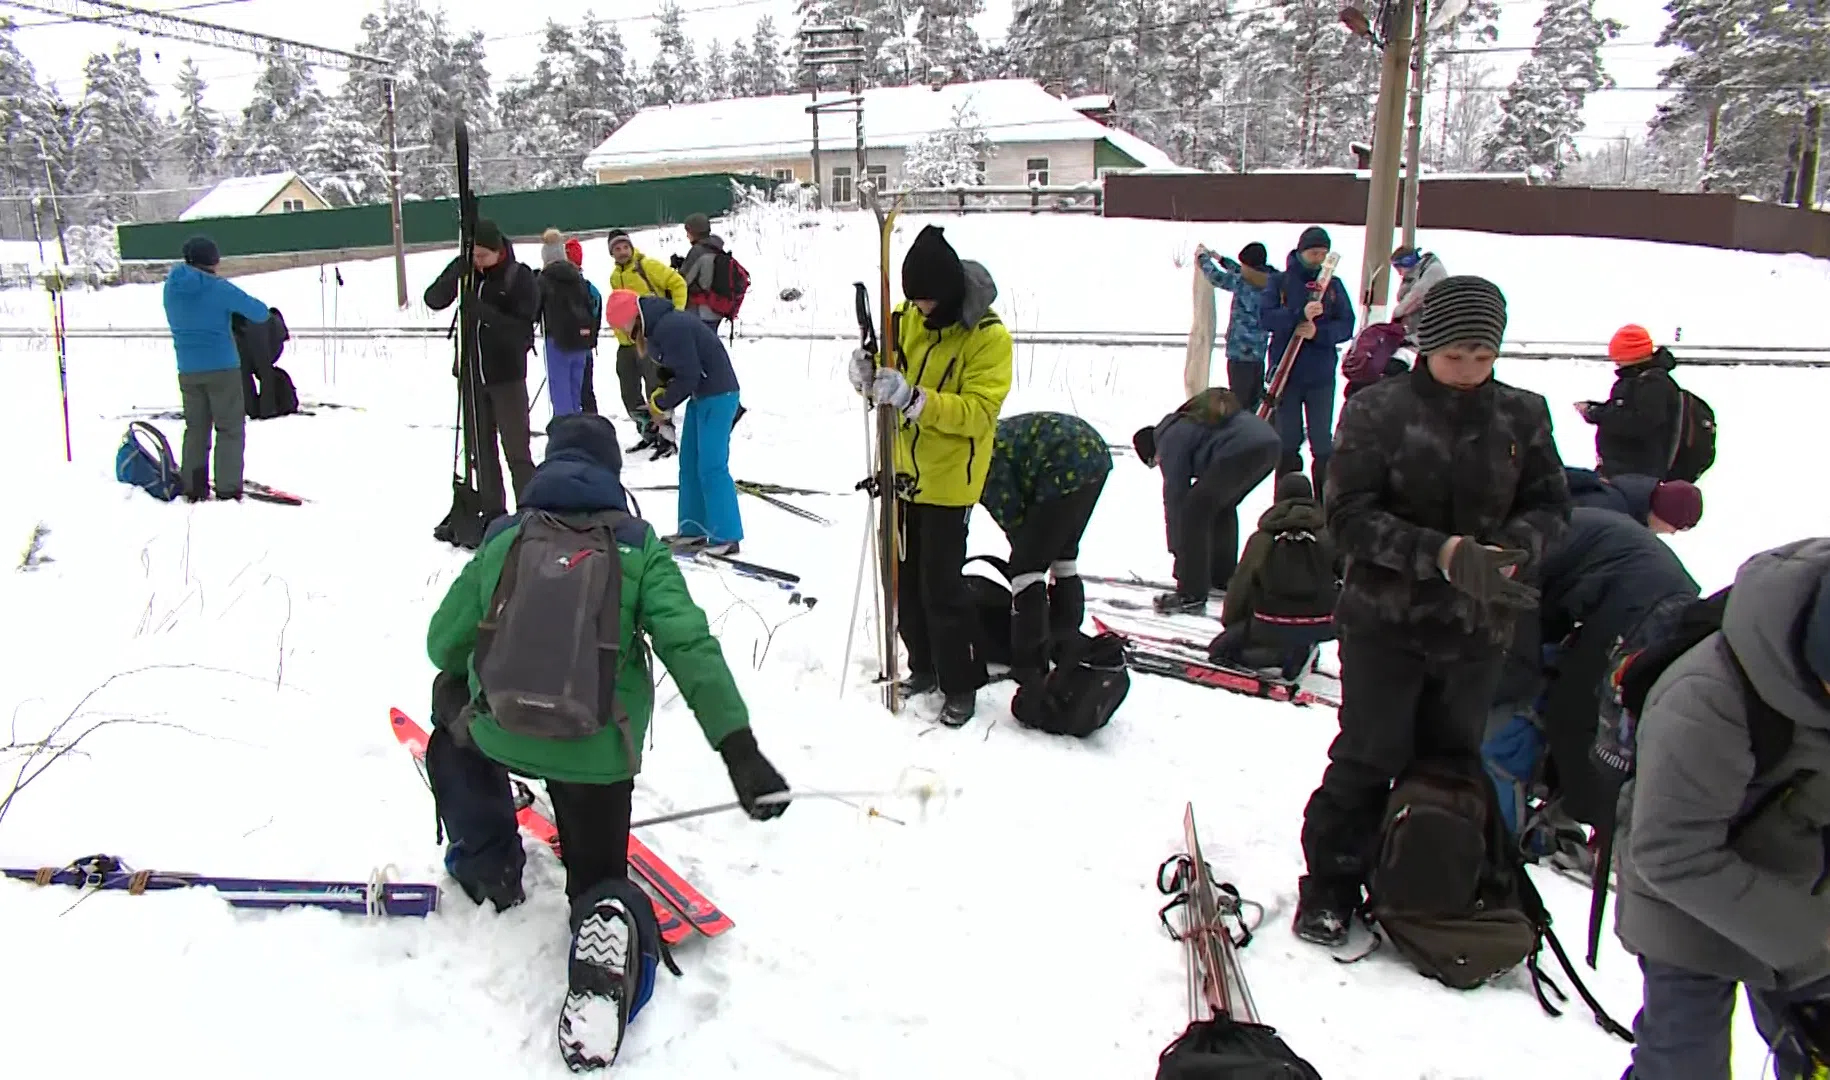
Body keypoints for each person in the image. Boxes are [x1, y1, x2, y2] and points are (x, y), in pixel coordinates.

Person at [424, 411, 790, 1072]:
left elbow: (440, 645)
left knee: (446, 713)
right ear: (612, 477)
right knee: (597, 879)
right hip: (596, 755)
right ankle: (606, 922)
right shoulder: (639, 547)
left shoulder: (504, 537)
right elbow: (690, 647)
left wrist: (462, 689)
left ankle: (488, 863)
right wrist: (739, 750)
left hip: (498, 730)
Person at [1292, 275, 1571, 947]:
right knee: (1368, 753)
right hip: (1385, 622)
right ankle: (1330, 883)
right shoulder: (1378, 411)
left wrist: (1510, 553)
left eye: (1483, 356)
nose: (1469, 371)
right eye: (1455, 356)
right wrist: (1442, 554)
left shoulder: (1523, 415)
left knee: (1453, 759)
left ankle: (1426, 876)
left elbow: (1552, 505)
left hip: (1477, 628)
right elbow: (1349, 516)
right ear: (1425, 348)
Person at [1613, 538, 1830, 1080]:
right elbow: (1671, 852)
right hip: (1683, 892)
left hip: (1802, 878)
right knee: (1683, 1062)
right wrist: (1816, 935)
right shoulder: (1706, 696)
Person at [847, 224, 1013, 727]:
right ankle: (924, 665)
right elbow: (885, 379)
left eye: (927, 302)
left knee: (941, 587)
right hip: (900, 472)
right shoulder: (903, 320)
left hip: (948, 481)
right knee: (904, 583)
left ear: (949, 293)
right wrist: (866, 376)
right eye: (912, 301)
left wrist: (914, 399)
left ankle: (960, 682)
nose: (918, 310)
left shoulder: (988, 338)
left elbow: (979, 413)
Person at [1481, 506, 1698, 866]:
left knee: (1578, 712)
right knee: (1603, 714)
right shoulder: (1544, 521)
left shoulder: (1509, 550)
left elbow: (1519, 658)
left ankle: (1609, 826)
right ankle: (1589, 808)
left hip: (1641, 605)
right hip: (1661, 597)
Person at [603, 288, 744, 554]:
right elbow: (676, 371)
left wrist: (661, 404)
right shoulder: (655, 329)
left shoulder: (669, 327)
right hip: (700, 396)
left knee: (712, 466)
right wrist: (661, 394)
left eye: (621, 325)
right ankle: (693, 528)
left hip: (719, 395)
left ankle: (726, 535)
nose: (622, 331)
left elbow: (689, 374)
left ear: (631, 316)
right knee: (689, 464)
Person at [977, 412, 1112, 688]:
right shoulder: (989, 437)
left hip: (1063, 463)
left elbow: (1013, 516)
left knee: (1026, 569)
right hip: (1094, 454)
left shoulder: (979, 462)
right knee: (1063, 556)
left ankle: (1030, 665)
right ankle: (1064, 640)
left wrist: (1029, 553)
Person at [424, 218, 541, 522]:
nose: (478, 262)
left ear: (498, 251)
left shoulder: (519, 277)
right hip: (472, 376)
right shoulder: (467, 271)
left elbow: (521, 331)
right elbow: (433, 300)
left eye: (483, 256)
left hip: (507, 378)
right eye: (473, 256)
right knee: (481, 452)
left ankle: (530, 513)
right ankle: (493, 514)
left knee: (517, 451)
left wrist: (484, 313)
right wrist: (455, 274)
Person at [1131, 387, 1281, 616]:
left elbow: (1175, 497)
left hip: (1241, 449)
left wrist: (1179, 551)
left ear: (1153, 451)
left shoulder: (1169, 440)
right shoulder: (1183, 423)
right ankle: (1222, 576)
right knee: (1220, 506)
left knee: (1194, 512)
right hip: (1268, 443)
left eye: (1155, 462)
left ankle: (1191, 594)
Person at [161, 235, 270, 501]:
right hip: (223, 368)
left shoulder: (171, 288)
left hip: (187, 369)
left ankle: (193, 487)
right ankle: (227, 489)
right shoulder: (219, 288)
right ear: (213, 260)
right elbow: (260, 312)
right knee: (229, 429)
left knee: (195, 428)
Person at [1208, 471, 1338, 681]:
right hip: (1324, 624)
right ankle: (1302, 646)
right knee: (1300, 632)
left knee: (1219, 651)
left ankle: (1282, 655)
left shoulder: (1263, 538)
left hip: (1270, 623)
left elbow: (1241, 586)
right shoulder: (1329, 536)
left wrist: (1235, 626)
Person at [1260, 226, 1356, 495]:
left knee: (1322, 442)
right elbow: (1265, 318)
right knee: (1288, 440)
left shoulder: (1333, 286)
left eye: (1323, 254)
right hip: (1287, 376)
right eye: (1314, 253)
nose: (1319, 259)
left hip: (1321, 376)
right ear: (1302, 251)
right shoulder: (1279, 282)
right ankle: (1286, 499)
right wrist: (1297, 315)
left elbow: (1346, 326)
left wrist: (1319, 333)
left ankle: (1324, 502)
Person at [607, 229, 688, 456]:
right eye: (617, 249)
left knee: (656, 388)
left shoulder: (647, 266)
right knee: (629, 392)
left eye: (625, 247)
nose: (622, 252)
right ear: (611, 253)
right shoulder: (615, 277)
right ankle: (648, 433)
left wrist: (676, 315)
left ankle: (666, 438)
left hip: (651, 338)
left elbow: (678, 284)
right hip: (626, 343)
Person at [1577, 324, 1684, 479]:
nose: (1615, 361)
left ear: (1632, 354)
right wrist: (1594, 410)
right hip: (1623, 471)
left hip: (1636, 474)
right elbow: (1624, 411)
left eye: (1619, 357)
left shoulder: (1653, 384)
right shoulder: (1638, 380)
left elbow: (1639, 423)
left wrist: (1597, 414)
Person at [1194, 241, 1276, 412]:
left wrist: (1202, 259)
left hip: (1240, 355)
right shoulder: (1270, 280)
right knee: (1254, 401)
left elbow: (1216, 277)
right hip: (1259, 353)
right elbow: (1240, 270)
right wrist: (1221, 259)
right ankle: (1255, 432)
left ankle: (1242, 435)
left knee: (1239, 403)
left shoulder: (1243, 284)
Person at [535, 228, 600, 418]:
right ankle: (579, 432)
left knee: (560, 394)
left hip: (557, 341)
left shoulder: (544, 279)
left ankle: (566, 434)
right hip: (581, 341)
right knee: (575, 391)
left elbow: (533, 310)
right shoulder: (577, 278)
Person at [1564, 467, 1703, 534]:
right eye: (1676, 527)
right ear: (1665, 513)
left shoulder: (1617, 498)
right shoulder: (1611, 515)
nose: (1672, 533)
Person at [564, 237, 604, 414]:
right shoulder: (589, 288)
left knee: (583, 391)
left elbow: (596, 314)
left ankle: (590, 424)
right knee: (580, 391)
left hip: (581, 348)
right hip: (577, 346)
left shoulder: (587, 289)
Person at [678, 212, 726, 331]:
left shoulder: (697, 251)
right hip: (716, 308)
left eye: (688, 232)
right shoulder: (716, 247)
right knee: (710, 344)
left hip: (700, 309)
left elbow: (683, 281)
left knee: (699, 346)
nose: (687, 236)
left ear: (694, 232)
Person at [1388, 245, 1447, 335]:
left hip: (1434, 330)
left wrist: (1397, 313)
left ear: (1407, 262)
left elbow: (1417, 295)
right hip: (1417, 331)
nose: (1399, 273)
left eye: (1399, 268)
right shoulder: (1413, 277)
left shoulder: (1434, 270)